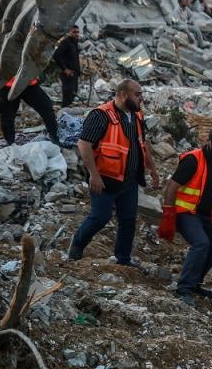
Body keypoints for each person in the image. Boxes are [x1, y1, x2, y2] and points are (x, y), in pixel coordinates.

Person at [68, 79, 160, 265]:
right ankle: (77, 244)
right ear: (124, 95)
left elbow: (142, 143)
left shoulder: (137, 115)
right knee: (100, 217)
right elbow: (84, 144)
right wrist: (94, 174)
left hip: (129, 181)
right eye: (137, 95)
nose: (141, 99)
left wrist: (152, 168)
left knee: (128, 220)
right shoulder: (101, 115)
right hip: (105, 179)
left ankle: (123, 258)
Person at [158, 128, 212, 307]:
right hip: (185, 212)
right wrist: (168, 214)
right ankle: (183, 288)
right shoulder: (193, 160)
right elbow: (172, 187)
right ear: (208, 142)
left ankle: (195, 284)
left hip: (204, 215)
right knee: (201, 243)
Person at [0, 77, 59, 146]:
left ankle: (55, 138)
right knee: (7, 116)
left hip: (28, 82)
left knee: (46, 108)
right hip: (7, 85)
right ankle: (10, 144)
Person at [52, 25, 80, 107]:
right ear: (69, 33)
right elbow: (56, 55)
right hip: (68, 75)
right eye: (74, 32)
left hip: (74, 74)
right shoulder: (65, 42)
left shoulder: (74, 42)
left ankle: (67, 112)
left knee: (73, 93)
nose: (76, 34)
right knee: (67, 97)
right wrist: (65, 69)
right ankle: (63, 112)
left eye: (78, 32)